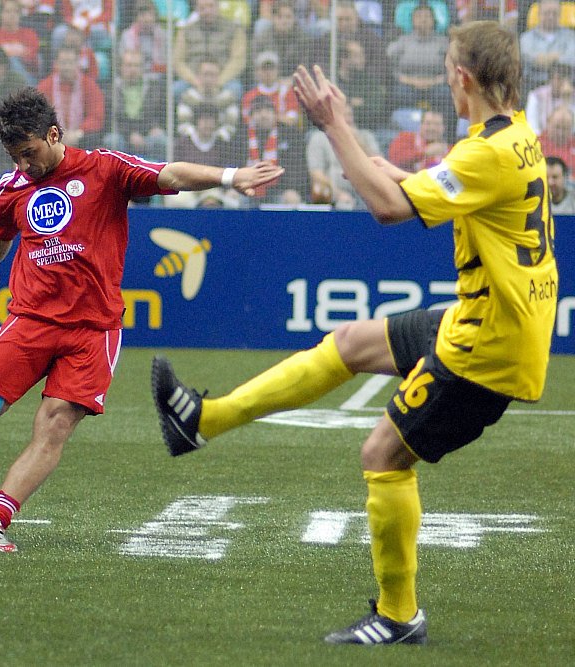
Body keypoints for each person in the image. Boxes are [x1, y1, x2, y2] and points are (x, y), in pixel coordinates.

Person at [151, 20, 557, 645]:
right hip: (489, 319)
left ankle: (398, 617)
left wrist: (335, 125)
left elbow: (390, 208)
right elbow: (448, 186)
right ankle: (202, 422)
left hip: (488, 346)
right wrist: (390, 168)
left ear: (462, 76)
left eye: (448, 68)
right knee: (350, 344)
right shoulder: (514, 134)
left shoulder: (487, 151)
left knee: (383, 457)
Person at [0, 86, 284, 552]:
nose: (23, 165)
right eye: (14, 157)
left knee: (55, 424)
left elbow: (169, 173)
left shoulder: (105, 169)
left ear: (54, 134)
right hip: (30, 320)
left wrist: (231, 176)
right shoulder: (12, 187)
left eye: (29, 153)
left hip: (93, 331)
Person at [307, 100, 381, 208]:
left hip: (365, 192)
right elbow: (316, 174)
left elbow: (379, 166)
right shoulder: (319, 138)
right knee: (343, 204)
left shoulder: (366, 136)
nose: (348, 119)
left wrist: (357, 140)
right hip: (333, 194)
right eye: (343, 115)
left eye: (350, 115)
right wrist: (338, 194)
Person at [172, 0, 247, 102]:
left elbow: (238, 60)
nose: (207, 11)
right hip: (193, 79)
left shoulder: (234, 30)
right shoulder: (185, 31)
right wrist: (195, 81)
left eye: (211, 6)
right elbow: (178, 61)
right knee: (176, 90)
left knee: (235, 89)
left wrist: (219, 81)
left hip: (224, 79)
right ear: (196, 10)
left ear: (218, 7)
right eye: (202, 8)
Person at [242, 94, 309, 206]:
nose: (263, 115)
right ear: (251, 116)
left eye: (268, 110)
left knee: (292, 199)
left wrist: (292, 189)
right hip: (247, 190)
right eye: (258, 111)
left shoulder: (290, 134)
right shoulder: (241, 136)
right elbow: (233, 165)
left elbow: (298, 167)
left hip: (280, 190)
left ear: (275, 114)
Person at [102, 49, 167, 162]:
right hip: (122, 134)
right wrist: (130, 134)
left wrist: (153, 129)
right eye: (129, 65)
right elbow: (111, 120)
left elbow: (160, 114)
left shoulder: (155, 88)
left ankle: (158, 171)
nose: (132, 69)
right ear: (121, 67)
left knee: (162, 140)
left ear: (142, 68)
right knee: (111, 140)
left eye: (136, 66)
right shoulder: (111, 90)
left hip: (148, 133)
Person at [386, 4, 450, 117]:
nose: (423, 20)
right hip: (407, 84)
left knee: (444, 94)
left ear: (433, 20)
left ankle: (440, 124)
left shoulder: (443, 42)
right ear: (412, 20)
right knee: (400, 93)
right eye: (419, 16)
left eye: (427, 16)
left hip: (436, 84)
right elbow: (390, 65)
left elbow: (451, 68)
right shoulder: (403, 41)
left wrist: (435, 81)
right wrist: (409, 80)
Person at [38, 46, 106, 150]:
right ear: (56, 64)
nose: (67, 67)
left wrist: (77, 133)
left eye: (70, 62)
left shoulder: (89, 86)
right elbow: (39, 117)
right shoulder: (45, 87)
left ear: (77, 63)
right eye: (63, 63)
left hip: (82, 139)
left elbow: (96, 117)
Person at [176, 59, 240, 143]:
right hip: (192, 144)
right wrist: (198, 139)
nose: (209, 79)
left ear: (219, 77)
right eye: (205, 74)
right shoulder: (188, 97)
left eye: (213, 75)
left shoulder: (228, 98)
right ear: (198, 76)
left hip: (220, 144)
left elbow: (230, 127)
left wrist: (213, 140)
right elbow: (184, 125)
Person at [251, 0, 314, 84]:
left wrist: (291, 81)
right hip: (268, 83)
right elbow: (255, 67)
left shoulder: (303, 39)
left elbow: (306, 68)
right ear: (273, 18)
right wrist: (273, 81)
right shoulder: (262, 37)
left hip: (294, 84)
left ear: (294, 18)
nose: (284, 21)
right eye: (280, 17)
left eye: (288, 17)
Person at [0, 0, 42, 86]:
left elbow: (35, 60)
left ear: (20, 15)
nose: (12, 15)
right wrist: (13, 53)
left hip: (27, 76)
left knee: (14, 60)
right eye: (8, 11)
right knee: (11, 60)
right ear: (0, 14)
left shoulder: (30, 34)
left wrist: (13, 53)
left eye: (16, 11)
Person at [519, 0, 575, 92]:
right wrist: (557, 56)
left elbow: (571, 59)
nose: (551, 17)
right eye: (547, 13)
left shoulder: (570, 36)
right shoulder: (526, 37)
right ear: (539, 14)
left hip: (564, 87)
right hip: (532, 86)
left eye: (554, 13)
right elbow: (530, 58)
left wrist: (544, 59)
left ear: (560, 14)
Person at [241, 51, 300, 128]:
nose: (268, 72)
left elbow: (292, 119)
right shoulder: (249, 96)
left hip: (281, 132)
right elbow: (247, 121)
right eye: (264, 68)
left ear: (278, 70)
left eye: (271, 68)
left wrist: (267, 118)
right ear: (257, 71)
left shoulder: (287, 92)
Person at [118, 0, 168, 77]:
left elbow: (165, 61)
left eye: (150, 14)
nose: (147, 19)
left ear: (155, 16)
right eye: (142, 15)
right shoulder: (127, 35)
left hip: (158, 76)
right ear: (136, 17)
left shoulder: (162, 35)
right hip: (135, 76)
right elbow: (125, 63)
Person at [525, 62, 575, 135]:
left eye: (564, 78)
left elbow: (572, 128)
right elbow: (532, 124)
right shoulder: (536, 95)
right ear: (551, 78)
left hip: (567, 140)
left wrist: (566, 100)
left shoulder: (572, 96)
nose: (561, 82)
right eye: (558, 78)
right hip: (541, 138)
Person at [539, 103, 575, 170]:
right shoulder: (536, 143)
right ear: (548, 122)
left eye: (565, 128)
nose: (560, 133)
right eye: (557, 127)